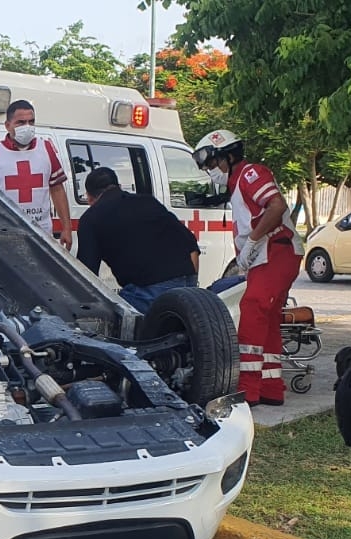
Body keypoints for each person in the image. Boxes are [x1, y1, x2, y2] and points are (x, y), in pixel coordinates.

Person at [193, 129, 301, 406]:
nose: (210, 171)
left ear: (228, 156)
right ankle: (270, 387)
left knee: (253, 310)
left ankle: (248, 389)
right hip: (270, 255)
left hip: (276, 251)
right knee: (268, 320)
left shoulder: (251, 174)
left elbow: (275, 206)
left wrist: (253, 241)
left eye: (212, 163)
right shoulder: (237, 183)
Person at [74, 167, 200, 313]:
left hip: (148, 293)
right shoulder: (148, 201)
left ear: (89, 197)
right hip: (188, 287)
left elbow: (85, 276)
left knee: (110, 320)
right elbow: (192, 246)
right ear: (119, 187)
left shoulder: (90, 219)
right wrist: (190, 286)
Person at [0, 99, 72, 251]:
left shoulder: (46, 148)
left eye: (31, 122)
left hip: (41, 233)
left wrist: (67, 228)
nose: (27, 127)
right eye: (21, 122)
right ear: (7, 125)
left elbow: (57, 189)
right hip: (6, 233)